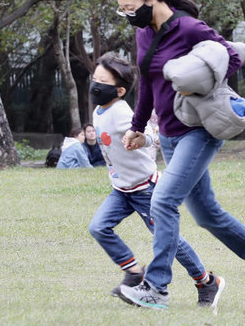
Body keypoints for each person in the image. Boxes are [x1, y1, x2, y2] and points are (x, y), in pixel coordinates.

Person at [113, 0, 245, 310]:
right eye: (123, 10)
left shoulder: (189, 28)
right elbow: (147, 83)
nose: (128, 16)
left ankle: (156, 288)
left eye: (130, 8)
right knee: (207, 215)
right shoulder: (145, 35)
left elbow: (233, 57)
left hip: (200, 131)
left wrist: (199, 78)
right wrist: (136, 125)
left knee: (161, 201)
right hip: (169, 135)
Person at [87, 53, 224, 310]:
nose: (95, 84)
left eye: (101, 80)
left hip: (145, 190)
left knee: (170, 241)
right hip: (121, 190)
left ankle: (206, 281)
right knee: (98, 227)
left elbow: (150, 132)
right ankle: (135, 273)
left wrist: (142, 139)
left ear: (119, 90)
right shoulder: (98, 110)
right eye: (94, 78)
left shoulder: (120, 112)